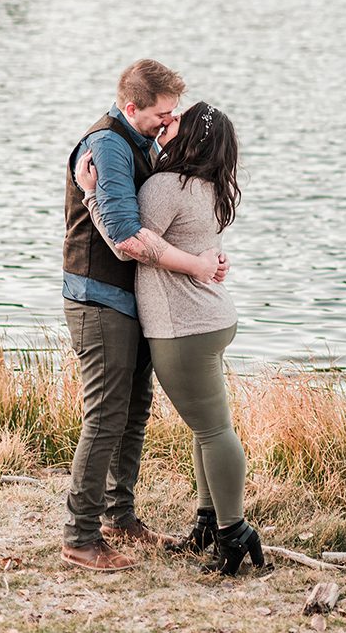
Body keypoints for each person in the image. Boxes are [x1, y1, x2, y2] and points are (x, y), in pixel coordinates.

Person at [75, 101, 265, 577]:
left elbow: (129, 243)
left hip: (183, 327)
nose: (167, 122)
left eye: (176, 120)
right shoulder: (212, 188)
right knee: (207, 428)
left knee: (214, 430)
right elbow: (200, 245)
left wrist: (91, 194)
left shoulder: (165, 186)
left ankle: (233, 531)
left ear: (191, 138)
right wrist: (208, 262)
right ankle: (207, 522)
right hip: (210, 318)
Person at [60, 59, 228, 572]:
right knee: (106, 416)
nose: (168, 120)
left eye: (174, 113)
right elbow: (126, 236)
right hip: (98, 298)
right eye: (162, 113)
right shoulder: (108, 145)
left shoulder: (141, 142)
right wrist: (198, 267)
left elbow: (171, 212)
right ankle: (80, 536)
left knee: (134, 410)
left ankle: (119, 515)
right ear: (132, 107)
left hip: (127, 301)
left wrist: (171, 139)